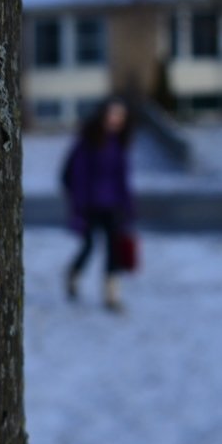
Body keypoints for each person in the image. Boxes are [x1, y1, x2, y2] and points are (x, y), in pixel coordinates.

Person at [60, 97, 136, 312]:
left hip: (113, 206)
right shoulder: (87, 142)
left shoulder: (119, 143)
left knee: (114, 250)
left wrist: (128, 206)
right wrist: (78, 207)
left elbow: (122, 179)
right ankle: (73, 276)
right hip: (90, 205)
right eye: (112, 114)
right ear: (102, 115)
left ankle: (111, 295)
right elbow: (77, 176)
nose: (116, 119)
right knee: (89, 245)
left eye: (120, 115)